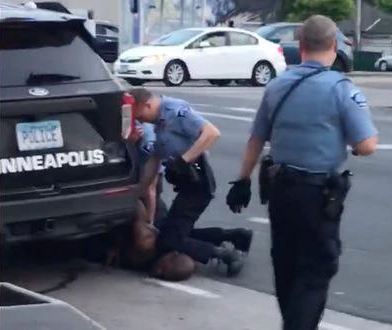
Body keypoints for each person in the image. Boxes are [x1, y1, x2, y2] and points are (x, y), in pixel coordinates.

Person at [226, 15, 378, 330]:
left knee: (286, 266)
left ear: (301, 46)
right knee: (315, 271)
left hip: (280, 190)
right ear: (335, 47)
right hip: (317, 194)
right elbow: (366, 144)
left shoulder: (278, 85)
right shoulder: (341, 88)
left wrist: (242, 180)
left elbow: (256, 139)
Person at [130, 87, 253, 277]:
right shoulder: (158, 123)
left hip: (198, 181)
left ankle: (226, 254)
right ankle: (235, 236)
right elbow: (155, 160)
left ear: (146, 104)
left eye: (139, 115)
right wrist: (139, 190)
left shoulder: (175, 110)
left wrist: (183, 160)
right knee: (173, 231)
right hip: (186, 183)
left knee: (168, 240)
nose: (139, 121)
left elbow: (212, 133)